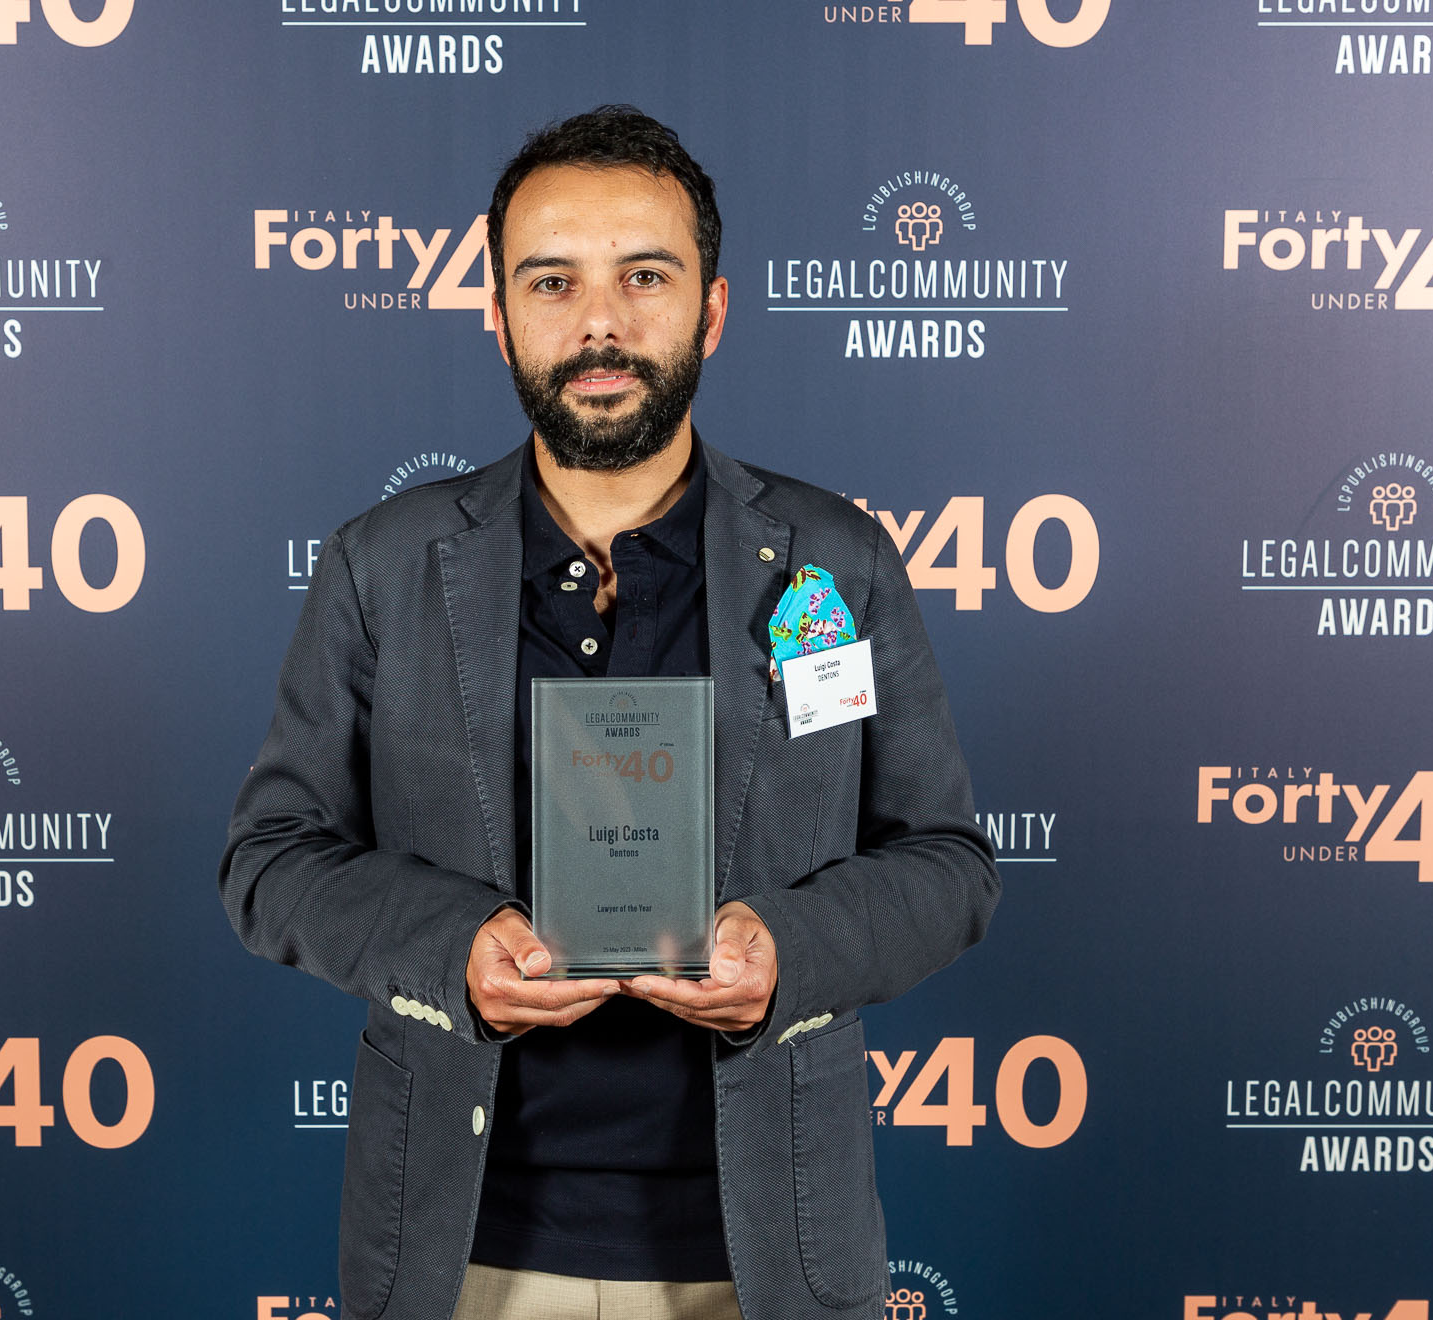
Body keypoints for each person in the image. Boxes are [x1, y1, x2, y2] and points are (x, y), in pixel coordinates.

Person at [220, 105, 999, 1320]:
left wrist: (790, 954)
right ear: (495, 313)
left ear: (713, 310)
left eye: (646, 275)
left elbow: (946, 865)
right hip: (464, 1252)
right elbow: (269, 863)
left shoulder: (831, 567)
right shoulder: (384, 563)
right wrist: (452, 948)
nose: (600, 322)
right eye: (551, 280)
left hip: (764, 1253)